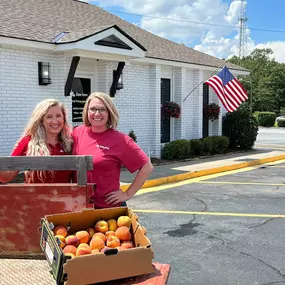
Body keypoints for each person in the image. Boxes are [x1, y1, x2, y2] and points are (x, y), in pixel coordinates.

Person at [72, 92, 153, 209]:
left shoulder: (121, 140)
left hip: (108, 208)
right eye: (93, 109)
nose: (97, 113)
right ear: (87, 111)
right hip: (79, 207)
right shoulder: (77, 133)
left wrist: (127, 193)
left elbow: (147, 167)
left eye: (102, 109)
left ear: (109, 112)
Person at [0, 99, 73, 183]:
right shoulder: (28, 142)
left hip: (65, 195)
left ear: (64, 118)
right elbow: (7, 176)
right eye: (49, 117)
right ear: (41, 120)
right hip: (34, 195)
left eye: (58, 116)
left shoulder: (70, 143)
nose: (55, 121)